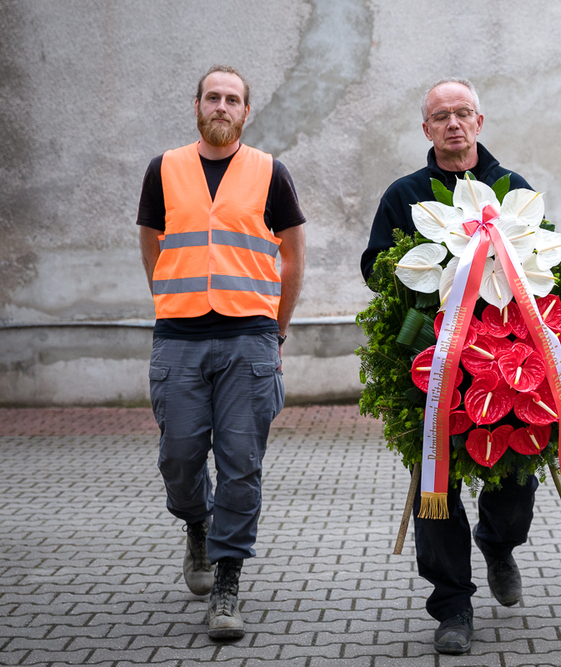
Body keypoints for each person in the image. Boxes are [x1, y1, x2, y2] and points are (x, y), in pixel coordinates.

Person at [362, 78, 535, 655]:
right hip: (431, 367)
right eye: (442, 116)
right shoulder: (404, 196)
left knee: (515, 481)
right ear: (427, 129)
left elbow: (542, 268)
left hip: (507, 365)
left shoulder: (512, 190)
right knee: (435, 489)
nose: (453, 124)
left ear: (480, 122)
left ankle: (498, 541)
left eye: (463, 114)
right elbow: (376, 268)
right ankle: (453, 607)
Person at [137, 65, 306, 640]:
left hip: (248, 338)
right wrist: (169, 300)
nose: (222, 107)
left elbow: (292, 259)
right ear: (197, 105)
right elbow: (152, 245)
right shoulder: (163, 169)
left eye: (233, 99)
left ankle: (228, 581)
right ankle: (196, 525)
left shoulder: (270, 173)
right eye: (213, 97)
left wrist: (275, 330)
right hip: (179, 337)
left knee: (241, 466)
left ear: (245, 112)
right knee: (179, 458)